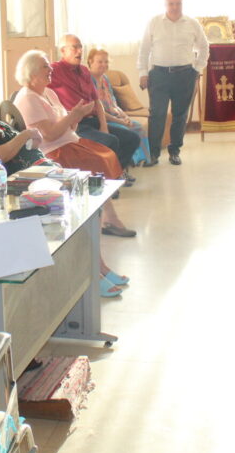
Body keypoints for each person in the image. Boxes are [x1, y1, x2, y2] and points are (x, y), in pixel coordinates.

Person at [13, 51, 136, 295]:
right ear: (31, 73)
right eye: (45, 67)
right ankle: (95, 263)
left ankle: (100, 262)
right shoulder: (27, 99)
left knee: (104, 159)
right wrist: (73, 116)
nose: (51, 70)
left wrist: (76, 116)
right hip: (54, 154)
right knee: (97, 172)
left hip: (70, 143)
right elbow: (50, 135)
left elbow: (68, 125)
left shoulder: (48, 93)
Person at [50, 34, 139, 182]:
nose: (79, 51)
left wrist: (104, 126)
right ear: (63, 51)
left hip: (93, 120)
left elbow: (97, 101)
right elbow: (37, 82)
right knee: (110, 141)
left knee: (132, 138)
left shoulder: (84, 71)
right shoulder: (54, 70)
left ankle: (116, 175)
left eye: (80, 47)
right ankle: (107, 180)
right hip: (75, 125)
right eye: (74, 48)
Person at [136, 0, 210, 166]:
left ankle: (174, 151)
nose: (175, 7)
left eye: (178, 3)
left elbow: (204, 47)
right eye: (171, 4)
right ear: (165, 4)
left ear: (182, 4)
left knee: (180, 116)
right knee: (157, 114)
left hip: (185, 75)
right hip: (159, 75)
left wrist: (197, 69)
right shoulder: (154, 22)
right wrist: (143, 72)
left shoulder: (192, 24)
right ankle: (154, 154)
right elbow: (144, 49)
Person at [86, 47, 150, 166]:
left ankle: (141, 160)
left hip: (115, 115)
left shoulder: (105, 79)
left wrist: (125, 117)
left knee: (138, 127)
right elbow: (97, 110)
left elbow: (113, 103)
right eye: (100, 61)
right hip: (101, 119)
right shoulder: (88, 80)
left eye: (106, 61)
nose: (104, 65)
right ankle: (129, 160)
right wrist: (120, 121)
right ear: (90, 61)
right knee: (126, 130)